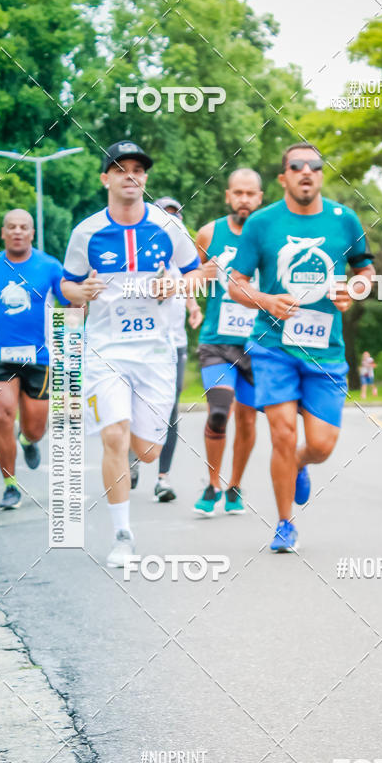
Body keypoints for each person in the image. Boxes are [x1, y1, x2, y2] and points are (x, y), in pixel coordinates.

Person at [60, 140, 202, 567]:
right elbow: (67, 285)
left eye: (138, 169)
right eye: (120, 168)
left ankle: (141, 467)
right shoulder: (86, 231)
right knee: (114, 436)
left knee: (147, 451)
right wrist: (79, 292)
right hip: (105, 350)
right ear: (106, 178)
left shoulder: (167, 227)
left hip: (155, 353)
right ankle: (123, 534)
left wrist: (174, 286)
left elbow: (197, 276)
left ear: (145, 178)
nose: (130, 175)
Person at [229, 143, 373, 552]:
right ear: (283, 177)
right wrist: (266, 300)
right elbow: (235, 283)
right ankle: (283, 523)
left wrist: (355, 291)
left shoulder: (345, 221)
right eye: (297, 166)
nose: (306, 171)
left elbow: (365, 270)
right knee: (282, 433)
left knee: (322, 445)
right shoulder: (261, 223)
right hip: (272, 346)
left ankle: (301, 466)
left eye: (315, 166)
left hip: (326, 349)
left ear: (322, 175)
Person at [0, 209, 68, 509]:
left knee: (35, 428)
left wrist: (85, 291)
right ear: (3, 233)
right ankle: (10, 485)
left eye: (24, 227)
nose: (17, 231)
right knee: (2, 414)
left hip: (39, 358)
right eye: (11, 227)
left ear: (31, 233)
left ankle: (28, 442)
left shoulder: (50, 266)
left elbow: (71, 301)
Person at [192, 168, 263, 516]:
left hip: (257, 344)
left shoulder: (269, 234)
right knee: (219, 413)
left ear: (260, 198)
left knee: (247, 420)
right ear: (228, 196)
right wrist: (192, 294)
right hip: (217, 342)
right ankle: (212, 483)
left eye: (251, 194)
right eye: (238, 193)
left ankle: (234, 485)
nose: (244, 200)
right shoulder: (209, 233)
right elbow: (185, 275)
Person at [152, 197, 202, 502]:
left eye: (176, 215)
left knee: (171, 407)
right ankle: (131, 460)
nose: (171, 221)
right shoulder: (144, 254)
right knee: (137, 406)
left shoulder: (183, 260)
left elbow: (189, 288)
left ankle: (163, 478)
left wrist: (194, 308)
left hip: (175, 343)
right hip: (144, 343)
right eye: (164, 215)